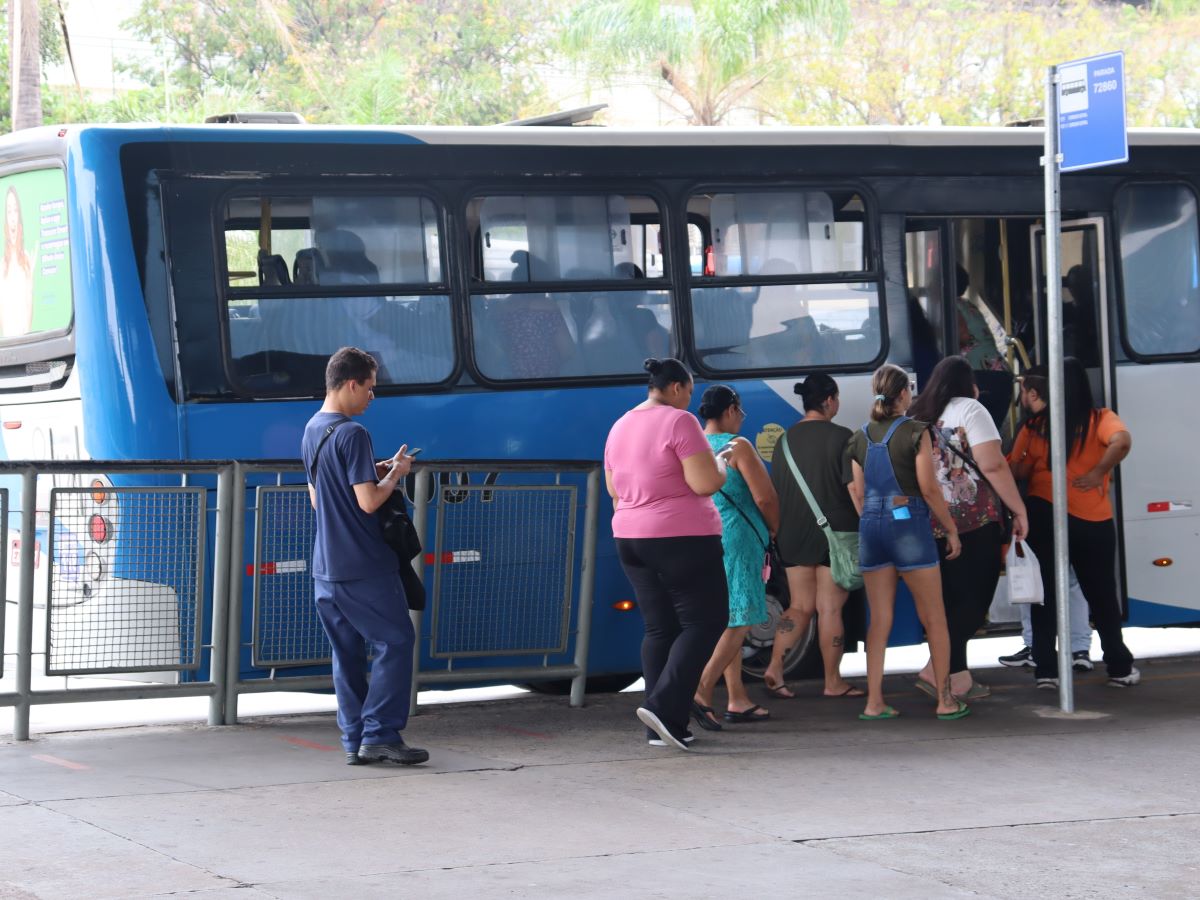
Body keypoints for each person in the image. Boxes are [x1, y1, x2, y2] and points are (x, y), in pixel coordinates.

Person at [302, 347, 428, 766]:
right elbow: (369, 502)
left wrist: (375, 470)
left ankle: (354, 739)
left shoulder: (313, 429)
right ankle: (380, 735)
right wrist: (396, 474)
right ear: (352, 384)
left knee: (347, 654)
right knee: (396, 641)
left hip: (326, 567)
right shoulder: (353, 433)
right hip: (364, 565)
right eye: (370, 388)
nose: (372, 397)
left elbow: (319, 499)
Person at [604, 358, 731, 750]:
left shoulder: (620, 425)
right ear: (676, 387)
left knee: (660, 628)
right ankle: (662, 706)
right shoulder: (680, 421)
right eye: (689, 391)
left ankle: (664, 726)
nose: (690, 400)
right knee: (707, 621)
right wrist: (722, 465)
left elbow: (614, 489)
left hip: (630, 538)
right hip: (681, 536)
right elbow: (705, 482)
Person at [1008, 357, 1139, 688]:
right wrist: (1098, 471)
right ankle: (1119, 667)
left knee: (1045, 596)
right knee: (1102, 596)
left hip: (1044, 516)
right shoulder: (1100, 418)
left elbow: (1016, 469)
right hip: (1092, 520)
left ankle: (1046, 671)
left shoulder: (1034, 426)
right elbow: (1122, 441)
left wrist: (1035, 467)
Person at [847, 363, 968, 720]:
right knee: (934, 617)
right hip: (907, 523)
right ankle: (945, 700)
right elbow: (928, 488)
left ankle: (874, 702)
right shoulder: (916, 431)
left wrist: (875, 517)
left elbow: (858, 491)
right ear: (903, 394)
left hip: (871, 525)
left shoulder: (859, 437)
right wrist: (950, 529)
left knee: (879, 619)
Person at [907, 356, 1029, 700]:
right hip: (973, 521)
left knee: (950, 601)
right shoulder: (971, 410)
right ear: (969, 385)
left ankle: (957, 677)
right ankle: (937, 668)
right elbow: (992, 465)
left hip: (930, 520)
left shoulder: (916, 414)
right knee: (976, 600)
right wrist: (1018, 509)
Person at [762, 373, 864, 700]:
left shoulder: (784, 441)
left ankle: (775, 666)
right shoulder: (842, 437)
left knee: (800, 606)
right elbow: (855, 489)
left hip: (793, 535)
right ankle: (833, 682)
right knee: (830, 609)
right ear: (829, 400)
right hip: (835, 535)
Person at [693, 384, 780, 728]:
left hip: (708, 537)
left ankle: (737, 698)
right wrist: (774, 528)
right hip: (741, 540)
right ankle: (700, 690)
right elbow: (765, 498)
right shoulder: (738, 446)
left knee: (728, 618)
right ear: (730, 410)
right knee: (742, 618)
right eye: (740, 412)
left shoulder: (696, 445)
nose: (742, 418)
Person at [999, 368, 1094, 672]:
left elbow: (1017, 468)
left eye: (1023, 391)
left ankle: (1036, 647)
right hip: (1076, 509)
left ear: (1033, 394)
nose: (1021, 398)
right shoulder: (1078, 422)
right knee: (1073, 580)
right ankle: (1079, 648)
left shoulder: (1032, 427)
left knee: (1034, 580)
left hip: (1039, 509)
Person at [2, 186, 34, 338]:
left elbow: (29, 302)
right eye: (9, 211)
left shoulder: (26, 259)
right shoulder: (2, 264)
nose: (13, 217)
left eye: (15, 210)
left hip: (25, 340)